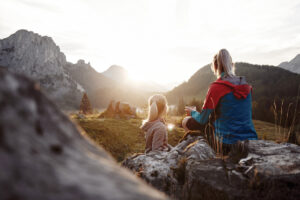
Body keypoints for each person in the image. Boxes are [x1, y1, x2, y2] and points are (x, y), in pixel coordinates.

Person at [183, 49, 258, 155]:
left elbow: (203, 120)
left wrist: (192, 112)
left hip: (225, 143)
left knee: (186, 121)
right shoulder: (246, 87)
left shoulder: (216, 87)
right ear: (232, 65)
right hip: (251, 139)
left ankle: (197, 149)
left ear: (215, 66)